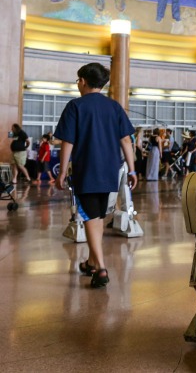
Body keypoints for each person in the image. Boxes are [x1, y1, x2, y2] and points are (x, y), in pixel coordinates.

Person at [54, 62, 137, 289]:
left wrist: (62, 171)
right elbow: (126, 140)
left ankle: (100, 268)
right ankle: (91, 261)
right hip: (110, 171)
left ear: (82, 81)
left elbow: (68, 141)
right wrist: (132, 169)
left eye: (77, 80)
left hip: (86, 170)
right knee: (98, 217)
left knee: (90, 217)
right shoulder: (114, 107)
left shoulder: (75, 106)